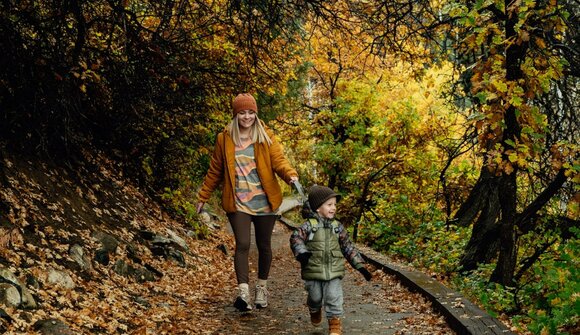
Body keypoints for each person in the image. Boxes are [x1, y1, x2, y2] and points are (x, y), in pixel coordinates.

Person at [196, 93, 298, 311]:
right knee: (242, 244)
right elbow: (215, 170)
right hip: (238, 201)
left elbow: (279, 161)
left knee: (264, 246)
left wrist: (291, 176)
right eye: (242, 112)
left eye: (251, 112)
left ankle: (261, 287)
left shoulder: (265, 135)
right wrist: (203, 196)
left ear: (256, 113)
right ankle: (243, 292)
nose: (247, 116)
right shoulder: (224, 139)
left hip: (265, 202)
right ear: (235, 114)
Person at [290, 185, 372, 335]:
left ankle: (335, 325)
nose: (333, 208)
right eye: (329, 205)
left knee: (334, 297)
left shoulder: (337, 227)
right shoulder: (309, 226)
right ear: (317, 208)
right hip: (313, 269)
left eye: (334, 204)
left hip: (334, 270)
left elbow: (347, 246)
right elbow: (296, 238)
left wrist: (359, 265)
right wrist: (301, 252)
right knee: (315, 297)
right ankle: (314, 309)